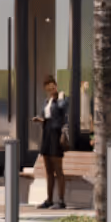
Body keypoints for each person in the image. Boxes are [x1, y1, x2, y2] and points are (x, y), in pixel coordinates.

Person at [31, 75, 70, 208]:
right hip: (47, 132)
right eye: (48, 87)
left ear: (56, 85)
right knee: (48, 169)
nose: (51, 88)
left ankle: (61, 200)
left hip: (56, 134)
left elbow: (62, 111)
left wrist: (58, 98)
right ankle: (49, 199)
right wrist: (40, 120)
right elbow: (47, 116)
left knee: (58, 169)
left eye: (52, 85)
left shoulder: (61, 98)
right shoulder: (46, 101)